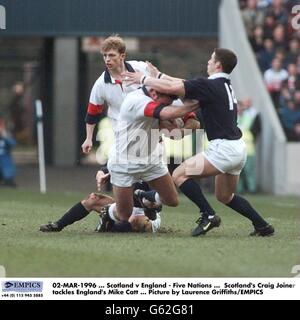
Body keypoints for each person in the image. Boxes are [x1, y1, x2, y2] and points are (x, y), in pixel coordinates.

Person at [124, 48, 274, 237]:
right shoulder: (223, 84)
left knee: (179, 174)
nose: (208, 62)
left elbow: (174, 89)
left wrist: (143, 79)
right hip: (237, 148)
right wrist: (159, 75)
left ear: (218, 64)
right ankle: (262, 225)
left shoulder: (211, 85)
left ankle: (208, 214)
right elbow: (182, 84)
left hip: (224, 149)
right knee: (225, 196)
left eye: (211, 59)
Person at [105, 85, 199, 232]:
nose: (170, 103)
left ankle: (146, 200)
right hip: (124, 162)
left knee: (172, 201)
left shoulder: (164, 99)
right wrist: (198, 103)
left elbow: (195, 123)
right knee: (124, 215)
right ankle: (106, 211)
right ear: (154, 94)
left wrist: (181, 130)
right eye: (167, 101)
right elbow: (165, 116)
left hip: (151, 161)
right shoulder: (135, 101)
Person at [39, 179, 162, 234]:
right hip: (124, 206)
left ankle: (110, 225)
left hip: (146, 214)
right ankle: (58, 225)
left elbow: (158, 204)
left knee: (135, 220)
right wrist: (101, 174)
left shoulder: (153, 167)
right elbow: (104, 170)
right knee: (93, 199)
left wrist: (146, 200)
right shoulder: (123, 158)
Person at [0, 118, 17, 187]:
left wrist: (5, 136)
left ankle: (8, 181)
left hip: (5, 161)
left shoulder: (6, 137)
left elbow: (13, 143)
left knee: (9, 179)